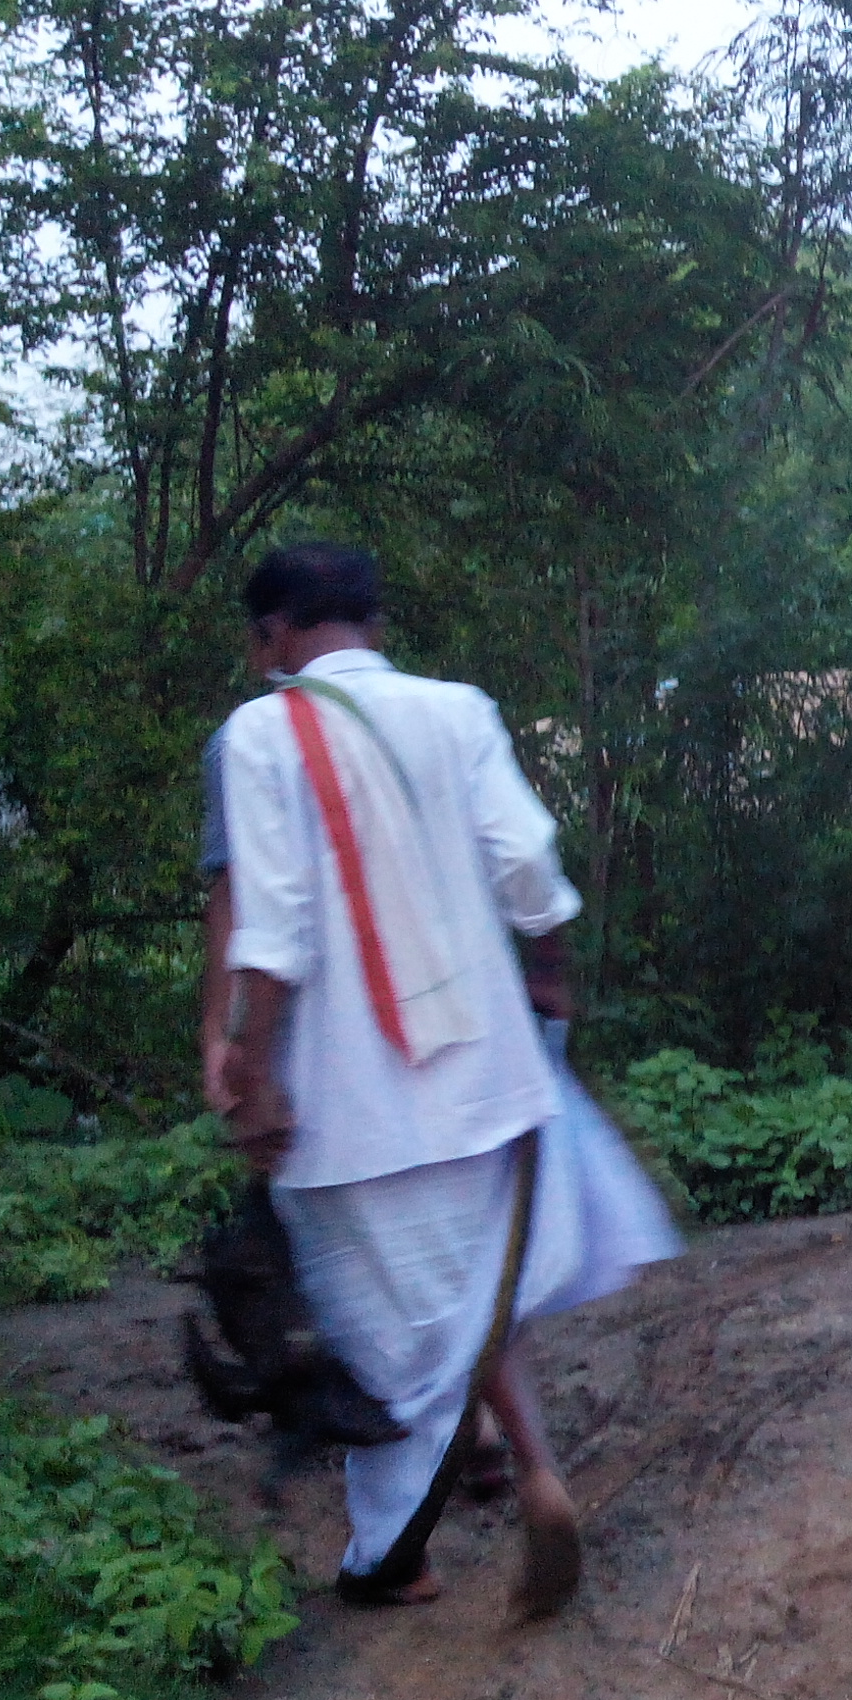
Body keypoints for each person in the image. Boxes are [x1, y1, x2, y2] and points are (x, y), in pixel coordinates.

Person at [210, 542, 675, 1617]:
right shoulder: (458, 712)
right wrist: (550, 982)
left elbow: (270, 934)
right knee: (473, 1300)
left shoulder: (261, 735)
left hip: (347, 1111)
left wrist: (252, 1073)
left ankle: (393, 1554)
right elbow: (528, 870)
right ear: (371, 624)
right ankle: (535, 1471)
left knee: (381, 1338)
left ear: (277, 636)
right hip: (490, 1085)